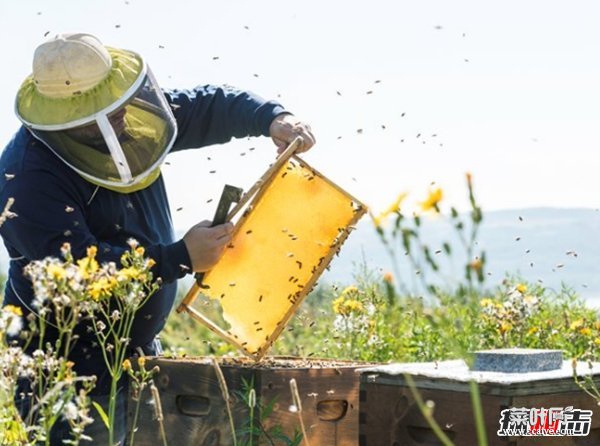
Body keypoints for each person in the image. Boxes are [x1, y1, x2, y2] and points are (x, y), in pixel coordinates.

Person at [0, 32, 315, 444]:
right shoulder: (25, 179)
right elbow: (75, 274)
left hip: (138, 359)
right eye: (103, 112)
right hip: (63, 375)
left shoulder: (125, 116)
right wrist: (179, 258)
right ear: (68, 119)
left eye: (116, 104)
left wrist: (271, 117)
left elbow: (206, 106)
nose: (120, 118)